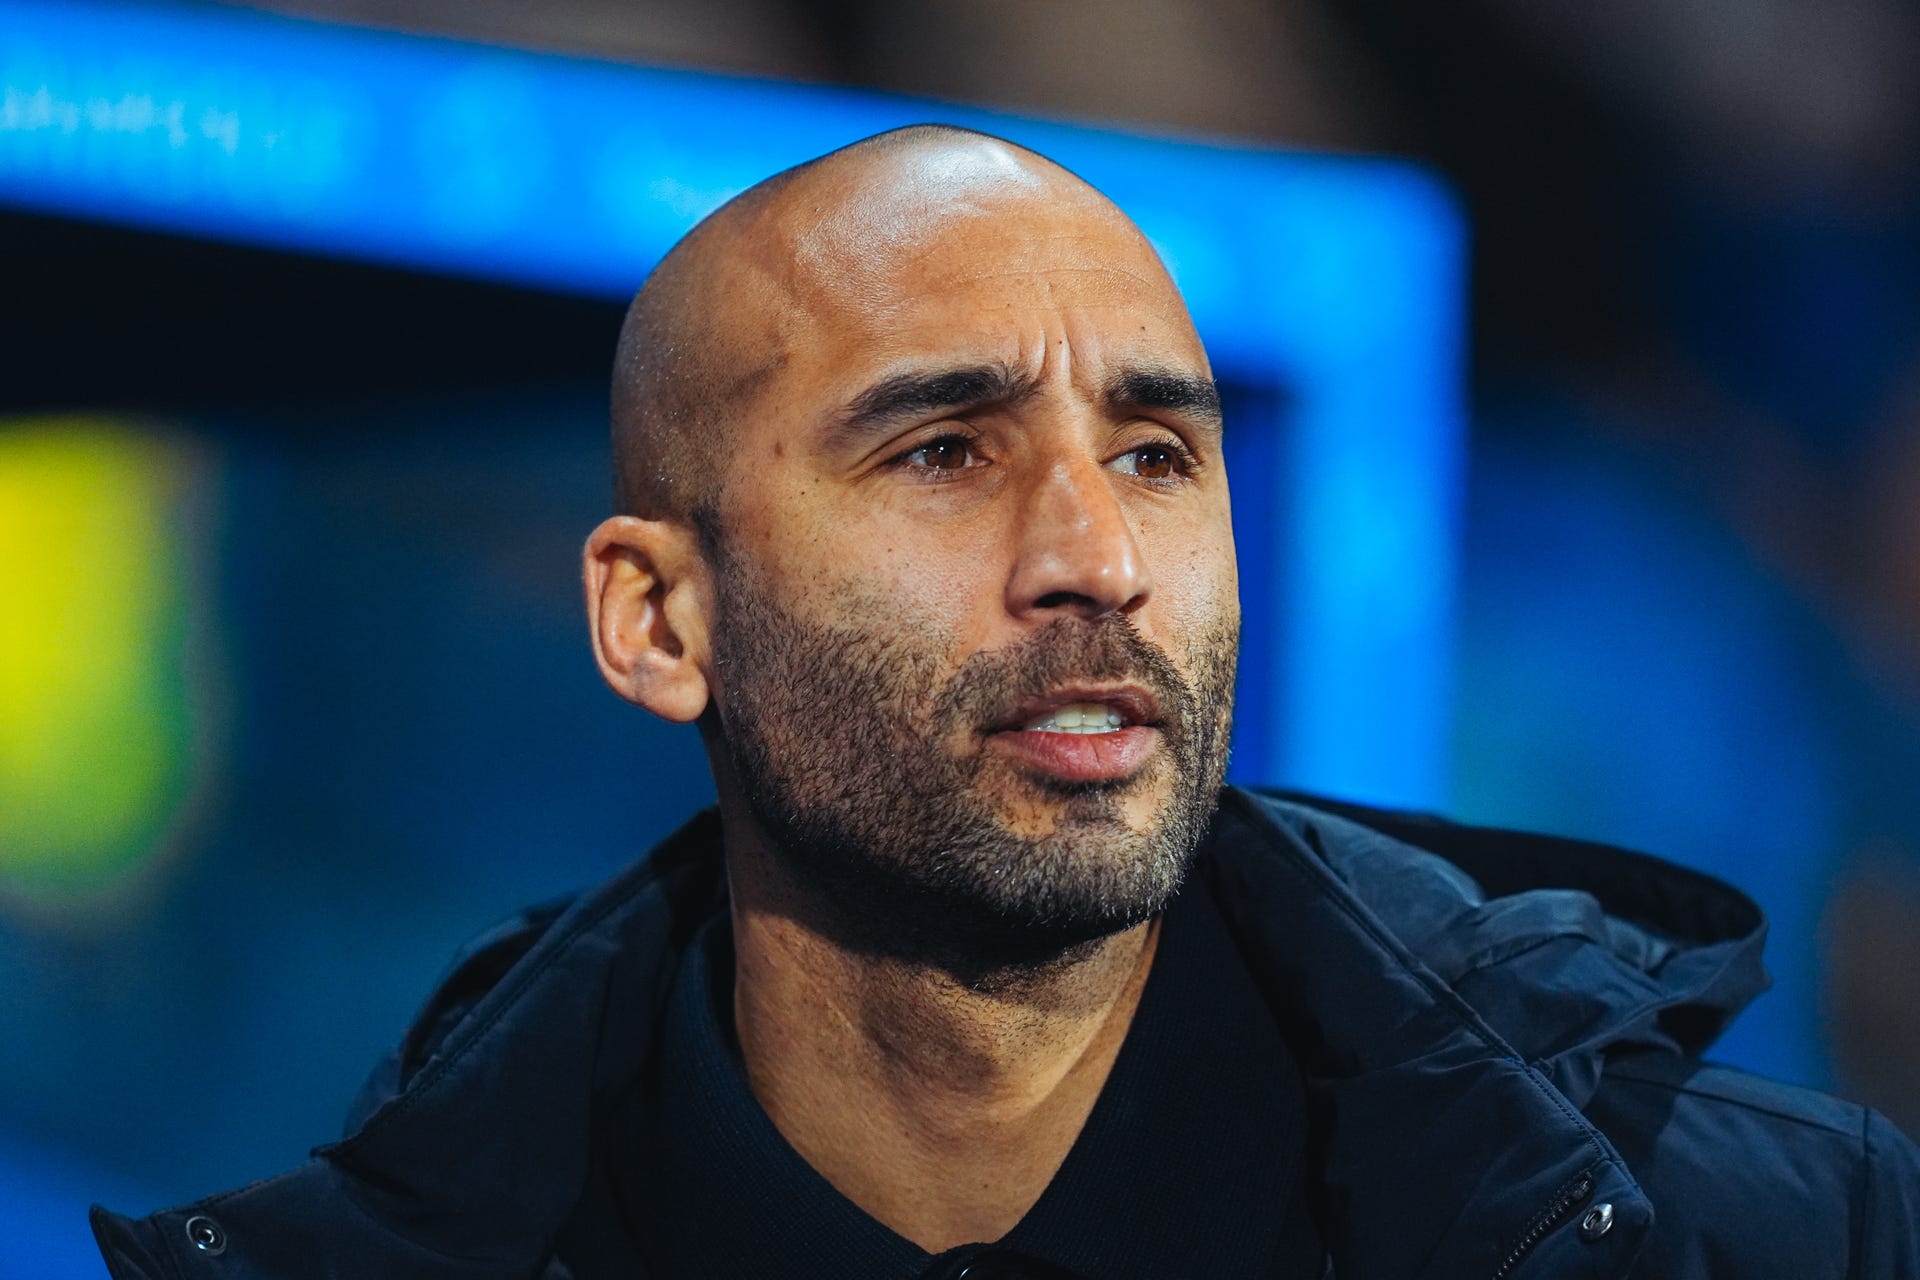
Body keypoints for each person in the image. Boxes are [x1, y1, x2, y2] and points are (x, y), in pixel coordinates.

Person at [92, 124, 1920, 1279]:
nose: (1095, 558)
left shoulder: (1777, 1236)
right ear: (655, 618)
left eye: (1155, 455)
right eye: (945, 450)